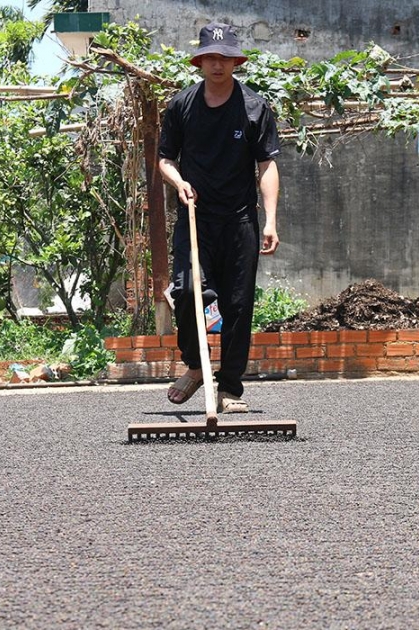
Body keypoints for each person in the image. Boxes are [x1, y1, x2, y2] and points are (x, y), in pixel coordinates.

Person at [158, 22, 281, 414]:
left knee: (238, 305)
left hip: (240, 220)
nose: (217, 64)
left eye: (225, 58)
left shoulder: (254, 107)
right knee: (187, 291)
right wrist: (179, 182)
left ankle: (229, 388)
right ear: (200, 61)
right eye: (211, 57)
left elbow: (266, 164)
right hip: (195, 217)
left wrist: (271, 220)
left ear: (235, 62)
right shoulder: (182, 106)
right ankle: (196, 367)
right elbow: (165, 159)